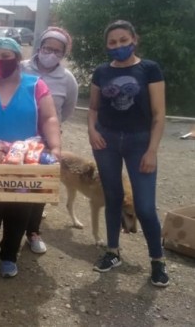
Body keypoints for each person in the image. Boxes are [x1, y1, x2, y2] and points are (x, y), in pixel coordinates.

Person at [0, 37, 61, 282]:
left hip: (26, 158)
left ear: (17, 58)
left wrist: (55, 146)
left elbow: (49, 118)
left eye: (7, 56)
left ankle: (9, 256)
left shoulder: (35, 85)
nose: (0, 61)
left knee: (20, 208)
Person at [88, 20, 168, 287]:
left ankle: (157, 261)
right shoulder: (100, 72)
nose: (118, 46)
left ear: (135, 39)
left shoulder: (149, 69)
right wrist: (92, 131)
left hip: (140, 143)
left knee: (144, 207)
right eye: (112, 42)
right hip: (106, 142)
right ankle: (112, 252)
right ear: (107, 46)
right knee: (113, 198)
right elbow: (94, 109)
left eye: (123, 40)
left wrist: (152, 151)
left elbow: (158, 115)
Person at [21, 27, 78, 254]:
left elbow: (67, 110)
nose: (50, 53)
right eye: (47, 48)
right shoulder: (21, 68)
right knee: (15, 183)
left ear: (64, 54)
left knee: (39, 187)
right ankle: (12, 231)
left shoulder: (67, 79)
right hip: (16, 138)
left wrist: (50, 129)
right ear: (39, 46)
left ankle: (33, 233)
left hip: (46, 141)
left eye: (57, 50)